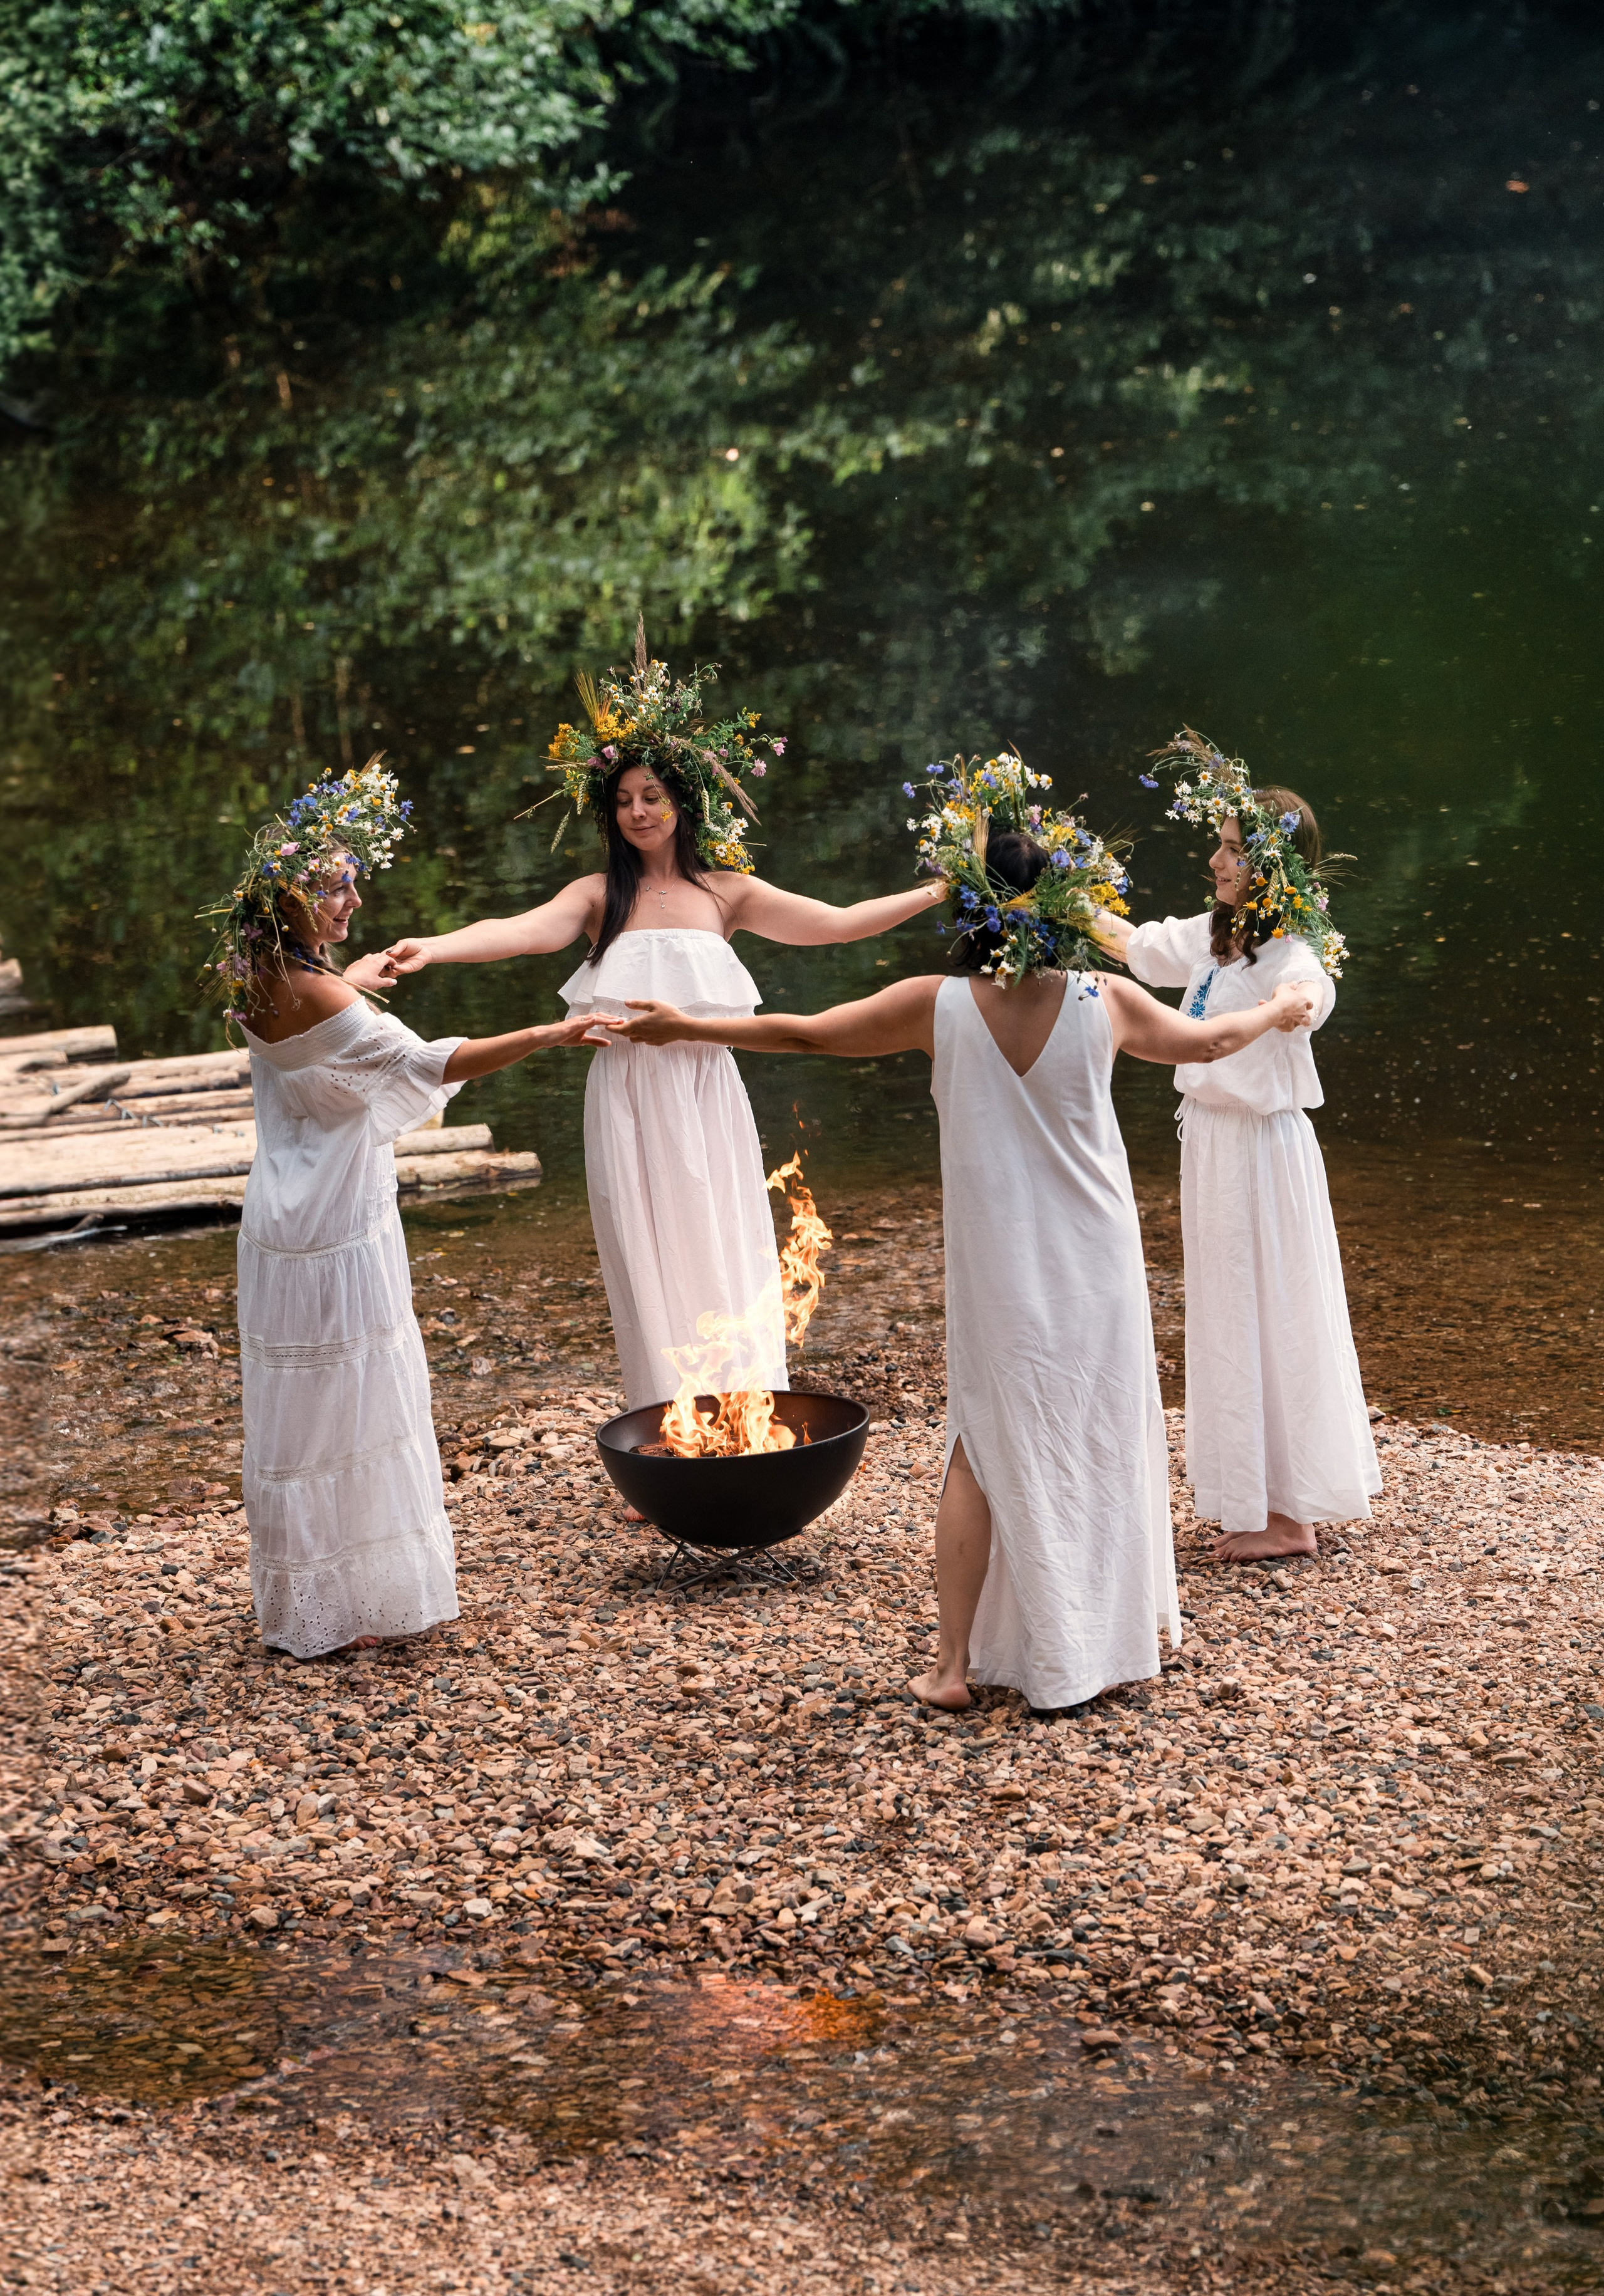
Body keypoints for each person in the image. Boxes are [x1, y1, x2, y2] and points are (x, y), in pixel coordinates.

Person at [607, 757, 1318, 1714]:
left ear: (974, 916)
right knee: (1100, 1426)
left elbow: (805, 1032)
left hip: (998, 1269)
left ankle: (951, 1665)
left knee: (979, 1447)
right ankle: (1110, 1634)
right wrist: (1277, 1005)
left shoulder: (933, 1006)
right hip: (1096, 1259)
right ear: (1059, 909)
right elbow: (1209, 1044)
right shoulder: (1103, 1000)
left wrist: (681, 1024)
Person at [373, 633, 946, 1413]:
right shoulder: (595, 896)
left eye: (653, 796)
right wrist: (431, 949)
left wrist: (939, 891)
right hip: (627, 1096)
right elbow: (518, 928)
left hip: (707, 1090)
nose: (639, 811)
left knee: (720, 1237)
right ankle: (666, 1421)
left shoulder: (727, 892)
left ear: (682, 802)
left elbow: (839, 922)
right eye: (624, 799)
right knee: (643, 1253)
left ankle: (745, 1412)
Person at [207, 761, 597, 1659]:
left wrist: (357, 974)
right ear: (294, 898)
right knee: (361, 1400)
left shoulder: (258, 969)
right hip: (339, 1230)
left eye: (353, 888)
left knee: (304, 1414)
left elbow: (321, 1016)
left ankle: (314, 1605)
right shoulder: (323, 993)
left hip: (279, 1226)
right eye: (336, 892)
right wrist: (550, 1033)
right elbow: (430, 1062)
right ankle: (362, 1604)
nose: (352, 906)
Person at [1094, 729, 1380, 1563]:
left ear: (1273, 868)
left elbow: (1307, 995)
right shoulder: (1219, 937)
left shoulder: (1294, 951)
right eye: (1218, 845)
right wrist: (1056, 897)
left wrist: (1293, 1004)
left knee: (1271, 1306)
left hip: (1263, 1150)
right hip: (1214, 1147)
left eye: (1231, 851)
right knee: (1229, 1311)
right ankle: (1259, 1499)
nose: (1216, 861)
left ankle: (1289, 1514)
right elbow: (1140, 947)